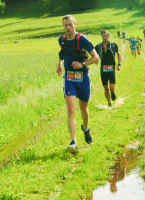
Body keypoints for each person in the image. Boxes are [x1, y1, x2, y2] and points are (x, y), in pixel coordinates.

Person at [57, 15, 99, 153]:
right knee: (70, 109)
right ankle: (73, 142)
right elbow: (62, 54)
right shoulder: (62, 40)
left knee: (84, 109)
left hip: (83, 79)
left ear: (75, 24)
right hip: (69, 78)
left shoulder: (83, 40)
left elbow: (96, 57)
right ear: (63, 27)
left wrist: (81, 64)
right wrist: (59, 64)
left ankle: (86, 129)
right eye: (65, 25)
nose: (68, 28)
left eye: (70, 24)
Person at [95, 30, 122, 107]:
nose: (104, 37)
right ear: (101, 36)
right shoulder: (98, 46)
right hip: (103, 69)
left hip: (111, 68)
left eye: (106, 35)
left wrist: (119, 64)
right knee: (106, 88)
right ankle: (109, 103)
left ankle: (113, 92)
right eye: (103, 36)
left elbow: (118, 54)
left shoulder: (113, 45)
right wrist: (95, 60)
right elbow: (94, 55)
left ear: (108, 36)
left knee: (111, 87)